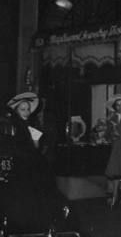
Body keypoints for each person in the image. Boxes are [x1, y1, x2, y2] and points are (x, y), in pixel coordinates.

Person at [0, 92, 76, 233]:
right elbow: (15, 147)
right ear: (16, 110)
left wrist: (35, 143)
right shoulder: (15, 126)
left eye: (28, 109)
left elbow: (32, 148)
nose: (27, 112)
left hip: (30, 163)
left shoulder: (26, 124)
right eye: (23, 109)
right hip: (23, 165)